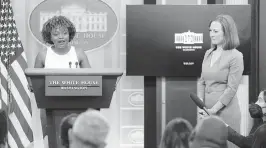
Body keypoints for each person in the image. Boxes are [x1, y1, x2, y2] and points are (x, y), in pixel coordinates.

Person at [197, 14, 244, 148]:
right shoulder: (208, 53)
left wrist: (213, 110)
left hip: (226, 113)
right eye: (210, 31)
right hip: (207, 113)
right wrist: (201, 106)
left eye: (215, 31)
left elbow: (231, 89)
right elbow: (202, 81)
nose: (211, 34)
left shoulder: (236, 56)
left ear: (227, 32)